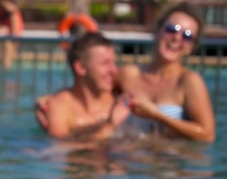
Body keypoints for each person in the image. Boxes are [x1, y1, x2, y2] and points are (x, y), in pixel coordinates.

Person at [116, 1, 216, 142]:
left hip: (166, 160)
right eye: (171, 29)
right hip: (127, 159)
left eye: (187, 36)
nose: (177, 38)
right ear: (157, 31)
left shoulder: (188, 81)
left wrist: (157, 116)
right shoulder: (127, 75)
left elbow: (207, 135)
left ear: (190, 48)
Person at [34, 32, 131, 140]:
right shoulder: (59, 106)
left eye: (113, 62)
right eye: (105, 63)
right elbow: (59, 151)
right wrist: (110, 126)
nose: (114, 70)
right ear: (81, 67)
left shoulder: (120, 99)